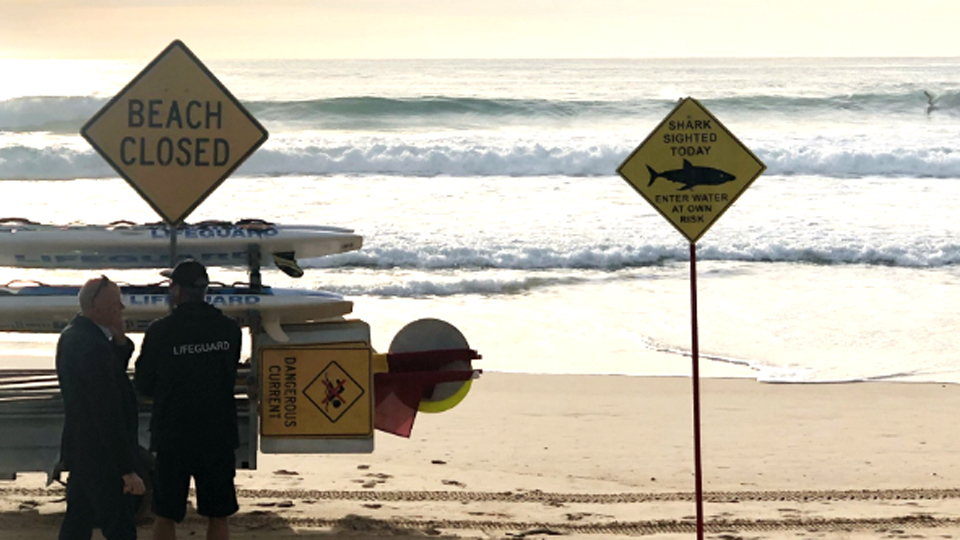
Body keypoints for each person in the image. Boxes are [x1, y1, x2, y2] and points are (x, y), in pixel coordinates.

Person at [135, 260, 242, 540]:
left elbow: (143, 384)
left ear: (178, 290)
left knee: (166, 513)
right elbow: (227, 374)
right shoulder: (230, 330)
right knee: (218, 513)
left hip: (173, 432)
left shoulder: (161, 331)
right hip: (217, 432)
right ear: (204, 290)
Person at [56, 275, 146, 540]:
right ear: (95, 306)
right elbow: (105, 409)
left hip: (84, 449)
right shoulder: (90, 344)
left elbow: (106, 379)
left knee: (78, 523)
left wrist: (119, 342)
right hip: (101, 455)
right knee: (119, 528)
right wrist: (126, 468)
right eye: (115, 303)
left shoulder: (79, 336)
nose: (122, 309)